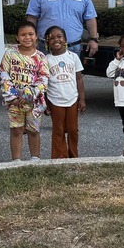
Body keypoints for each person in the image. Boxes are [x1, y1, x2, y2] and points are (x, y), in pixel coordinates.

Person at [0, 20, 49, 161]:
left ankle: (35, 159)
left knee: (33, 130)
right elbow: (4, 74)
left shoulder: (40, 57)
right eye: (23, 35)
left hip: (34, 102)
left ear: (36, 35)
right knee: (16, 130)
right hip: (14, 102)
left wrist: (28, 94)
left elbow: (43, 79)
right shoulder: (10, 54)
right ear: (17, 37)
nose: (27, 38)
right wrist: (13, 96)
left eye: (30, 34)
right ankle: (16, 160)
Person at [44, 25, 86, 159]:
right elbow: (44, 83)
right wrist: (45, 102)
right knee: (58, 130)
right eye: (51, 38)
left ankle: (73, 156)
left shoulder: (73, 57)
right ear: (47, 42)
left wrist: (82, 99)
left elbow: (79, 78)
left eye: (59, 36)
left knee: (73, 130)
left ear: (65, 39)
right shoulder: (46, 59)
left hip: (72, 98)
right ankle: (59, 158)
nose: (56, 40)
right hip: (54, 99)